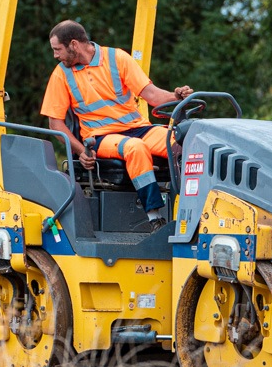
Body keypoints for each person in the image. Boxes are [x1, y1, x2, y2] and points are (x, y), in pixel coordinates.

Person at [40, 20, 193, 231]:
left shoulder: (117, 58)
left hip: (139, 128)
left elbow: (152, 95)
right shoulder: (61, 74)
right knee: (135, 148)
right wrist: (79, 151)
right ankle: (155, 218)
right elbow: (55, 123)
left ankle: (192, 210)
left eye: (57, 50)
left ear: (74, 44)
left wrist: (176, 96)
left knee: (186, 141)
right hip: (100, 137)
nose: (56, 55)